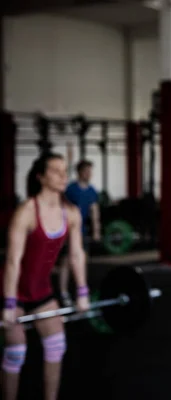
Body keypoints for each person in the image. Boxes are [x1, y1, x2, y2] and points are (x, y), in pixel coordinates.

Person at [1, 152, 91, 400]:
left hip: (41, 291)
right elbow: (12, 261)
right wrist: (9, 304)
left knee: (56, 346)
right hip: (12, 291)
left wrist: (82, 291)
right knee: (16, 352)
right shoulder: (27, 212)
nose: (63, 176)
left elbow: (76, 255)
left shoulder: (71, 213)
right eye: (55, 171)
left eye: (65, 170)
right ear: (41, 177)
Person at [58, 159, 101, 306]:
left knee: (81, 261)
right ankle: (63, 292)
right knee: (66, 262)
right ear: (80, 172)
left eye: (91, 171)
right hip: (68, 232)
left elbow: (94, 211)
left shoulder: (92, 191)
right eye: (86, 171)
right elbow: (61, 209)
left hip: (82, 232)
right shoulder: (70, 189)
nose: (89, 174)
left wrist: (96, 230)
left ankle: (81, 292)